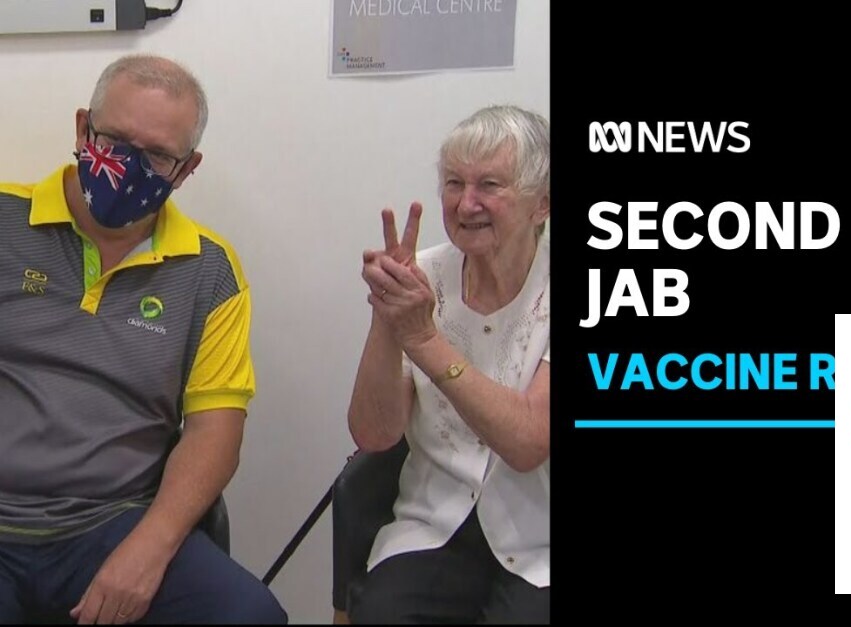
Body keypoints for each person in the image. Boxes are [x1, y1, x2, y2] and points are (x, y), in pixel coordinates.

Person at [0, 54, 286, 624]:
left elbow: (214, 432)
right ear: (83, 130)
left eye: (155, 155)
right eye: (114, 142)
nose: (128, 167)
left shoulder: (211, 271)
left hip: (112, 523)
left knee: (250, 615)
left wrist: (149, 550)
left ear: (187, 168)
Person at [346, 105, 551, 624]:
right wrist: (387, 318)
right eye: (454, 183)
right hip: (434, 527)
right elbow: (373, 435)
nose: (466, 203)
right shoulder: (422, 275)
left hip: (540, 542)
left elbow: (528, 444)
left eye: (490, 185)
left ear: (542, 204)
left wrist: (422, 337)